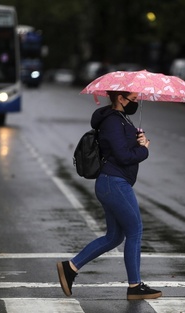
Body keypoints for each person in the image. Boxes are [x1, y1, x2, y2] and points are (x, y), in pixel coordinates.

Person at [57, 90, 162, 300]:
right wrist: (144, 150)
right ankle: (134, 286)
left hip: (112, 183)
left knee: (114, 236)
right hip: (114, 184)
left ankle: (70, 267)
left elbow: (120, 147)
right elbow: (123, 156)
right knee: (135, 231)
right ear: (120, 99)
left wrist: (137, 139)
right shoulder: (113, 121)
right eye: (133, 99)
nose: (136, 102)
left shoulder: (120, 119)